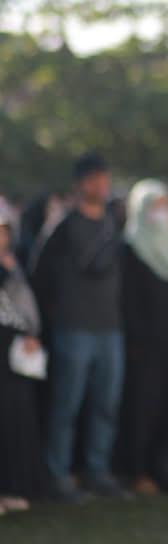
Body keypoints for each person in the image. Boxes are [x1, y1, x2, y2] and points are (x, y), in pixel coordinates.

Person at [33, 153, 128, 501]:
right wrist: (54, 314)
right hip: (74, 328)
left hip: (110, 328)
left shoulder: (113, 222)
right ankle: (58, 475)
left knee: (106, 406)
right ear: (81, 183)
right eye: (95, 179)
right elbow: (39, 271)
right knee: (66, 406)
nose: (102, 185)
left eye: (105, 178)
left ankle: (98, 472)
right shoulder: (63, 224)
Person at [117, 180, 168, 494]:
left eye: (165, 205)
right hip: (144, 348)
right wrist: (137, 340)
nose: (160, 213)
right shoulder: (130, 250)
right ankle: (140, 472)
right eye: (154, 206)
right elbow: (128, 301)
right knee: (143, 410)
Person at [0, 211, 47, 512]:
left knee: (14, 420)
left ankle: (12, 486)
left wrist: (31, 332)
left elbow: (24, 306)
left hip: (13, 356)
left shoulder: (13, 264)